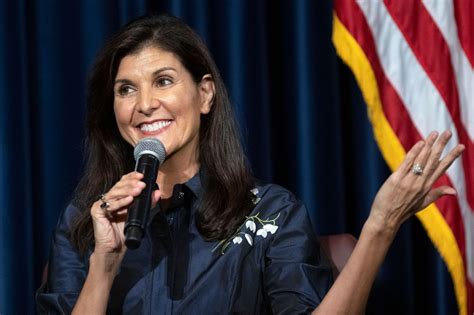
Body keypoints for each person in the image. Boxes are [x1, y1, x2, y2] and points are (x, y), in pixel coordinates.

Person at [36, 14, 465, 314]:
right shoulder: (86, 221)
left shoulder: (270, 212)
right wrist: (104, 266)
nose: (144, 105)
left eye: (163, 81)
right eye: (125, 89)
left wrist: (381, 225)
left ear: (205, 94)